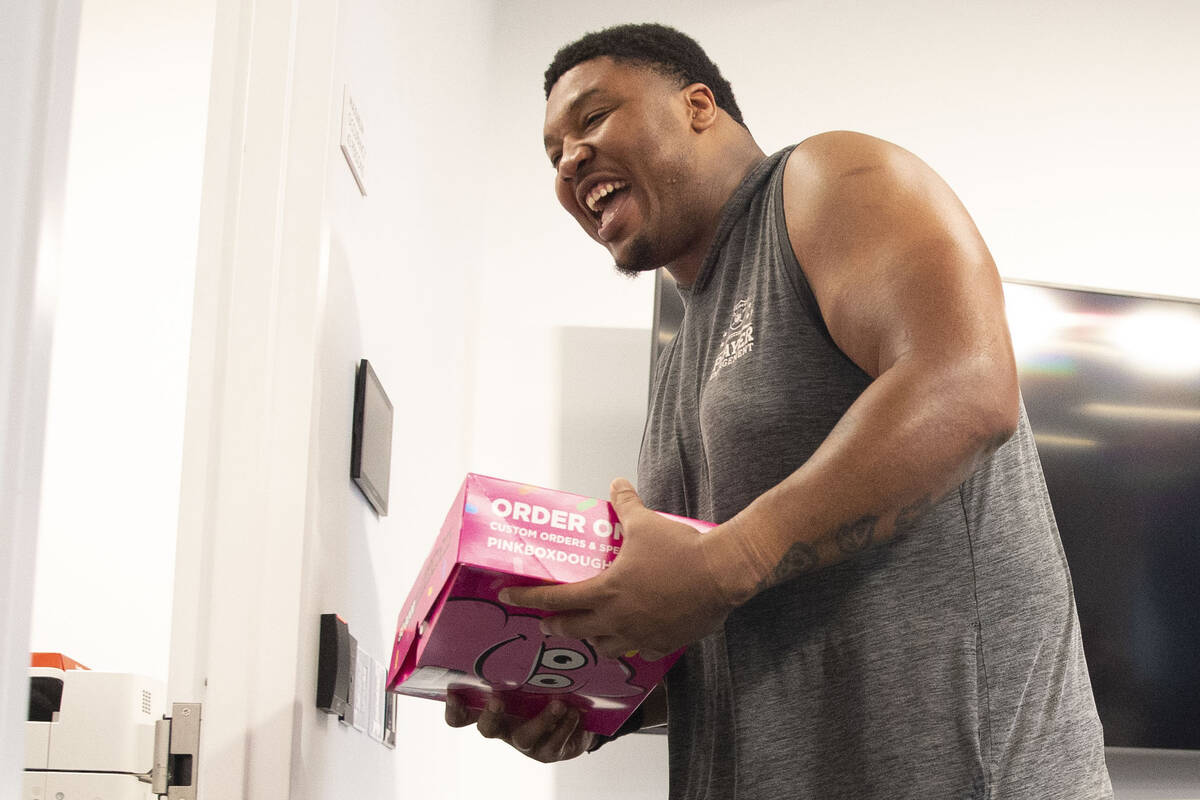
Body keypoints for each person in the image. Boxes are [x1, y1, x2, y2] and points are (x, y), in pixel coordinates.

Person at [446, 22, 1114, 799]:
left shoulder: (831, 176)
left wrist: (725, 562)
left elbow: (967, 385)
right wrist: (590, 696)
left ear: (699, 105)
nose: (569, 159)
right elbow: (723, 616)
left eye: (592, 119)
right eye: (553, 151)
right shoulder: (678, 355)